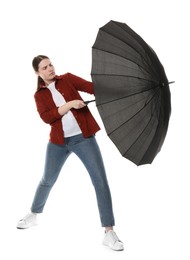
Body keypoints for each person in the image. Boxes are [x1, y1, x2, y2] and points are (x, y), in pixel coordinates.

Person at [17, 55, 124, 251]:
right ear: (37, 73)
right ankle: (33, 213)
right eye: (45, 67)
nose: (50, 69)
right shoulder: (39, 95)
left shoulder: (67, 79)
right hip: (58, 143)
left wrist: (118, 87)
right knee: (47, 179)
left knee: (100, 181)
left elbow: (92, 88)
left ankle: (109, 232)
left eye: (51, 65)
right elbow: (47, 117)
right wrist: (70, 104)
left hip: (84, 138)